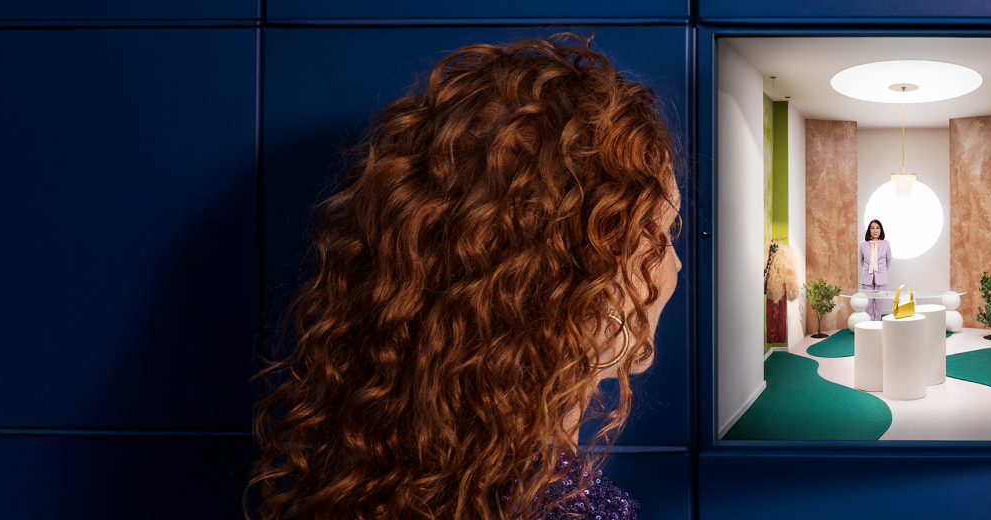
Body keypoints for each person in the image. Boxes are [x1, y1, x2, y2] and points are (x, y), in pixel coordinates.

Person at [248, 33, 681, 520]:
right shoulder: (551, 506)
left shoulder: (385, 478)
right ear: (575, 277)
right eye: (663, 234)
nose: (676, 266)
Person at [857, 219, 892, 320]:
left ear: (881, 230)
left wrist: (881, 271)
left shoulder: (886, 243)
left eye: (877, 228)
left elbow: (888, 260)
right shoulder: (863, 243)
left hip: (881, 277)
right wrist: (868, 269)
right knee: (869, 304)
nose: (875, 230)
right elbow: (862, 260)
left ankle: (877, 324)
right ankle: (870, 324)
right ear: (869, 230)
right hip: (867, 278)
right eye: (872, 228)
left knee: (879, 304)